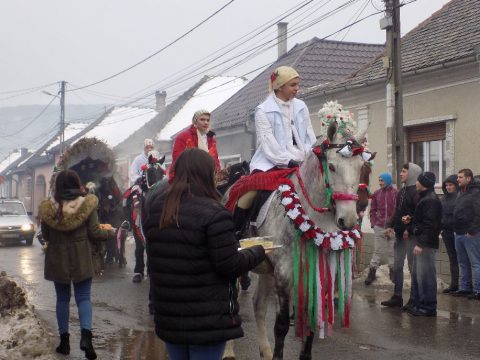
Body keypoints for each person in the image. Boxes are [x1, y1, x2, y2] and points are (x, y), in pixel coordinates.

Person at [143, 148, 267, 360]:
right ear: (206, 174)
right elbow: (229, 265)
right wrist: (258, 251)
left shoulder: (157, 210)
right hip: (207, 321)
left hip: (170, 317)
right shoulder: (215, 213)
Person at [38, 170, 113, 360]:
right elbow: (95, 232)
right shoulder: (87, 204)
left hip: (57, 258)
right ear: (77, 184)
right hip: (81, 257)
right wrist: (111, 233)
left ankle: (64, 342)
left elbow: (45, 236)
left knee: (62, 299)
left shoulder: (48, 208)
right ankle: (86, 339)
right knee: (83, 297)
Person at [234, 66, 316, 229]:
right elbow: (268, 145)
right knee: (251, 193)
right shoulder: (263, 111)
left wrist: (307, 156)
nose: (297, 89)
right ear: (279, 86)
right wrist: (288, 161)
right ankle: (238, 230)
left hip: (302, 159)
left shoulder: (301, 106)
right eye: (293, 85)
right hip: (270, 163)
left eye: (297, 84)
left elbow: (309, 136)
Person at [381, 162, 422, 308]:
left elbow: (418, 216)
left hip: (411, 237)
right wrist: (390, 225)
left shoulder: (416, 193)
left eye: (404, 171)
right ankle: (397, 296)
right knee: (397, 267)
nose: (400, 174)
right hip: (399, 236)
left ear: (411, 173)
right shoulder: (402, 191)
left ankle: (414, 298)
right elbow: (398, 212)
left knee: (413, 268)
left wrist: (408, 229)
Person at [403, 172, 442, 316]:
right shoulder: (425, 198)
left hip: (426, 245)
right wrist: (411, 219)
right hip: (422, 242)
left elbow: (431, 225)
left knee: (427, 277)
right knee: (419, 276)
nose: (416, 184)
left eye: (418, 182)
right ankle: (420, 304)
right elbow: (423, 219)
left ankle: (429, 307)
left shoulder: (430, 200)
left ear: (424, 183)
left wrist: (421, 244)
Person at [168, 109, 221, 182]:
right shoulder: (183, 136)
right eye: (202, 119)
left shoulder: (211, 139)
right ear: (195, 121)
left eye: (208, 120)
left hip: (208, 176)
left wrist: (217, 172)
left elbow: (215, 159)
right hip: (185, 176)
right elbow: (178, 158)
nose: (206, 122)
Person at [365, 172, 398, 285]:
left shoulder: (396, 193)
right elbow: (373, 210)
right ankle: (372, 273)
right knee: (377, 251)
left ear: (388, 180)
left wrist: (395, 225)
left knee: (392, 251)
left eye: (382, 180)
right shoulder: (376, 193)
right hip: (379, 227)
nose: (380, 183)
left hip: (393, 228)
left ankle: (393, 272)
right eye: (379, 180)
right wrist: (373, 223)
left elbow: (398, 210)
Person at [452, 169, 480, 299]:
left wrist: (472, 230)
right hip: (458, 233)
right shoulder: (460, 193)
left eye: (461, 177)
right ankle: (465, 287)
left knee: (475, 263)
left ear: (469, 178)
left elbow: (478, 213)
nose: (458, 179)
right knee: (463, 262)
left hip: (471, 234)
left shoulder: (475, 193)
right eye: (458, 177)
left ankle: (478, 290)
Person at [129, 139, 155, 283]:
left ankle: (152, 269)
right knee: (128, 197)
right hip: (140, 186)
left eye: (151, 146)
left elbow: (162, 171)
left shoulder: (156, 159)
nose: (149, 148)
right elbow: (132, 174)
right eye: (147, 146)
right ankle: (127, 220)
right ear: (144, 147)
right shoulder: (138, 160)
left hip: (154, 186)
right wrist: (141, 177)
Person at [440, 174, 459, 293]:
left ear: (456, 185)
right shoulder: (444, 198)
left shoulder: (460, 197)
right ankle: (454, 284)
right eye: (446, 185)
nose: (448, 187)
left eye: (450, 185)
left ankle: (467, 286)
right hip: (446, 232)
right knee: (452, 259)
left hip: (458, 232)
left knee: (463, 260)